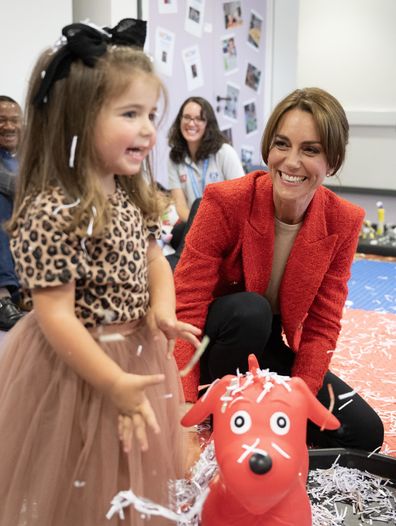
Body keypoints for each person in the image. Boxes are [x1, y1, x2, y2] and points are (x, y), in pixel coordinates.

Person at [0, 19, 201, 526]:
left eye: (151, 114)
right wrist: (111, 381)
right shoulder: (53, 210)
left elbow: (155, 259)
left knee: (125, 471)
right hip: (78, 368)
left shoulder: (129, 195)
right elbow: (55, 315)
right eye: (131, 113)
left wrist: (162, 309)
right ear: (78, 118)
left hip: (133, 353)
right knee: (74, 470)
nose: (149, 129)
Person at [174, 87, 384, 452]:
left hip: (262, 344)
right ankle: (219, 405)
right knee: (251, 310)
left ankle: (253, 415)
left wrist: (298, 401)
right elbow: (186, 308)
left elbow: (322, 324)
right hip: (210, 343)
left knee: (364, 434)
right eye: (282, 144)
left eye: (311, 150)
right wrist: (185, 405)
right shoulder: (225, 200)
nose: (290, 161)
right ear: (268, 148)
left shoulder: (343, 222)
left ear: (332, 162)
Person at [167, 96, 244, 268]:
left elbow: (241, 201)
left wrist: (209, 226)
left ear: (208, 124)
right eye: (186, 117)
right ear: (180, 120)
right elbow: (180, 207)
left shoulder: (224, 152)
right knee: (177, 231)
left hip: (223, 227)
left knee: (198, 204)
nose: (191, 123)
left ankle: (179, 263)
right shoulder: (175, 158)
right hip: (192, 226)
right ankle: (186, 262)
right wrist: (200, 226)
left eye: (199, 118)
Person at [0, 95, 25, 331]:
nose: (8, 126)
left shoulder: (28, 155)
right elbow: (16, 187)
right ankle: (2, 296)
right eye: (1, 120)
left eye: (14, 120)